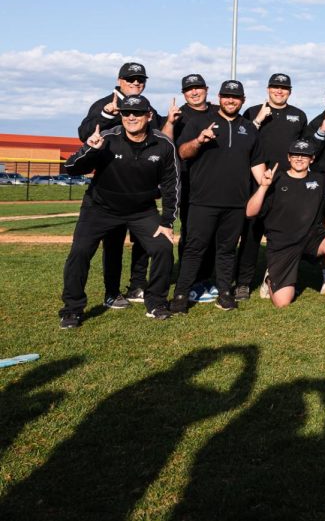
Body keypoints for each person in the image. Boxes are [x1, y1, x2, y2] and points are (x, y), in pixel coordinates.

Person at [59, 94, 178, 328]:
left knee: (163, 247)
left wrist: (167, 221)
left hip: (142, 211)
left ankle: (156, 302)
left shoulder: (163, 144)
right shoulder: (106, 138)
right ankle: (72, 309)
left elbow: (171, 185)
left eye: (137, 113)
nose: (131, 117)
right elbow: (71, 168)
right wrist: (90, 151)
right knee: (80, 252)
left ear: (149, 116)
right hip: (100, 208)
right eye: (126, 113)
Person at [76, 62, 167, 310]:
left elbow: (159, 135)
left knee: (143, 243)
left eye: (140, 79)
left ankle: (137, 285)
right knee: (112, 245)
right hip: (110, 188)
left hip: (140, 194)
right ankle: (112, 292)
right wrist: (106, 114)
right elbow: (84, 133)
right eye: (131, 79)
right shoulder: (106, 102)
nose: (136, 83)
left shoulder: (147, 106)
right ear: (119, 80)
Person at [171, 80, 264, 313]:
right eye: (227, 96)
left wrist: (266, 185)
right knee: (194, 249)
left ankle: (224, 294)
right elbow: (183, 152)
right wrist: (198, 141)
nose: (231, 100)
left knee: (226, 250)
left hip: (235, 203)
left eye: (236, 97)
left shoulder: (250, 129)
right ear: (220, 97)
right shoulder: (199, 122)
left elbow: (256, 164)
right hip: (202, 201)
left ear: (242, 100)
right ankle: (181, 296)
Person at [245, 138, 325, 308]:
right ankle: (270, 278)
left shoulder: (321, 180)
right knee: (282, 303)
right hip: (283, 243)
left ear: (312, 159)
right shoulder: (275, 178)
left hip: (311, 238)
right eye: (295, 154)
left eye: (305, 155)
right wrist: (263, 187)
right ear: (288, 157)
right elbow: (250, 212)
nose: (299, 158)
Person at [239, 72, 307, 299]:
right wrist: (258, 120)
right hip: (256, 184)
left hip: (285, 186)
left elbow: (303, 150)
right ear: (268, 89)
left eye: (284, 88)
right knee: (251, 235)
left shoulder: (298, 115)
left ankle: (275, 277)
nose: (279, 91)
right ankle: (243, 283)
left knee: (281, 236)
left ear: (290, 91)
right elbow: (241, 141)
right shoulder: (252, 112)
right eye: (275, 87)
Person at [173, 73, 218, 304]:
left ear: (206, 89)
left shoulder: (218, 111)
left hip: (216, 183)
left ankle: (206, 279)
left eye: (198, 87)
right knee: (192, 236)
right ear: (184, 93)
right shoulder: (178, 115)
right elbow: (166, 142)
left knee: (212, 237)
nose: (194, 92)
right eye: (189, 89)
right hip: (189, 182)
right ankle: (188, 280)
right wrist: (170, 122)